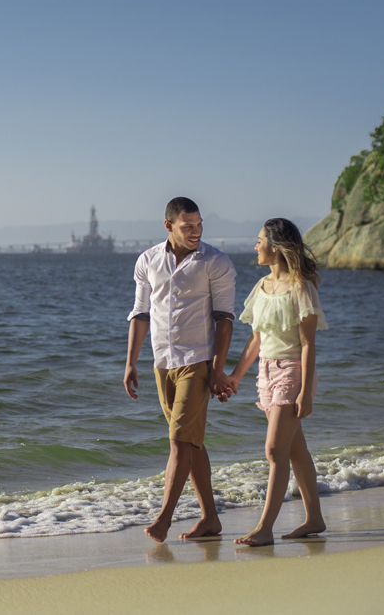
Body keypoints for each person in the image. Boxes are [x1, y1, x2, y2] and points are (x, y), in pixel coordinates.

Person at [123, 197, 237, 542]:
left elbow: (225, 320)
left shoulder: (215, 262)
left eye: (199, 225)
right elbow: (141, 313)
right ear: (168, 225)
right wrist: (130, 362)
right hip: (163, 362)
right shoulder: (148, 261)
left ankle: (163, 519)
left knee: (178, 442)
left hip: (197, 362)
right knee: (191, 443)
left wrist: (217, 369)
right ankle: (210, 519)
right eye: (187, 226)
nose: (195, 231)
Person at [228, 218, 327, 546]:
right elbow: (256, 341)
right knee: (295, 449)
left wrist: (305, 392)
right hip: (266, 373)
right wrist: (235, 376)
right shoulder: (261, 286)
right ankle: (314, 518)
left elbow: (308, 344)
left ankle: (265, 528)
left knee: (274, 450)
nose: (256, 246)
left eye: (260, 240)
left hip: (292, 372)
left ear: (276, 246)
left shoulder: (301, 288)